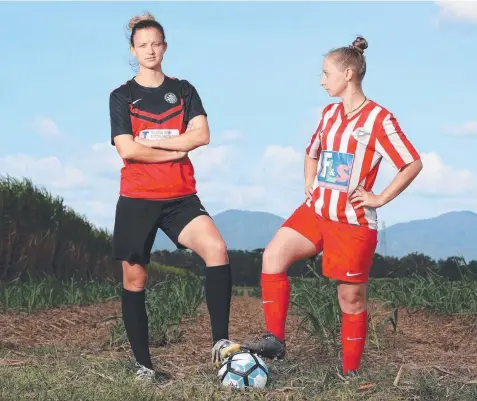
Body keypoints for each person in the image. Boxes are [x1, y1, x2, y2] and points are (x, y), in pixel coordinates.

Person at [241, 36, 423, 376]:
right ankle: (275, 341)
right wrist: (309, 183)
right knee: (272, 256)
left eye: (326, 73)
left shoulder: (379, 119)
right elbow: (312, 151)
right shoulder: (328, 114)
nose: (322, 81)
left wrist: (380, 198)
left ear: (349, 74)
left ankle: (349, 375)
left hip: (352, 222)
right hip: (316, 212)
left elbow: (411, 163)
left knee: (350, 300)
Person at [109, 12, 239, 381]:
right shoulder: (122, 96)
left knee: (217, 249)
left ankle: (220, 346)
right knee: (135, 280)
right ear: (133, 50)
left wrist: (155, 142)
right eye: (142, 45)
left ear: (164, 47)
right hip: (137, 197)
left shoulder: (183, 90)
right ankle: (144, 366)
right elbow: (127, 150)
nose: (149, 50)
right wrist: (175, 146)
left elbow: (202, 135)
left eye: (155, 44)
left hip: (180, 196)